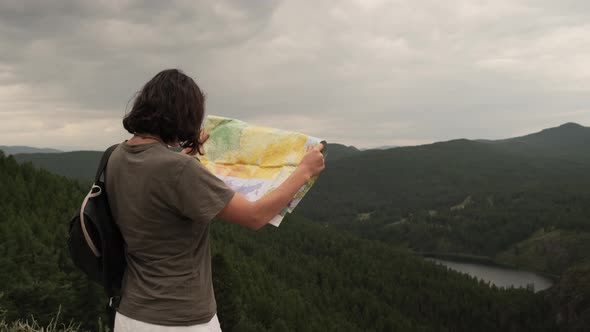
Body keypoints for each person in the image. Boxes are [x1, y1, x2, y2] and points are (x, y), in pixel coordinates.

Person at [106, 69, 325, 332]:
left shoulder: (118, 156)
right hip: (181, 318)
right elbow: (254, 216)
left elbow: (159, 178)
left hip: (130, 314)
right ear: (184, 115)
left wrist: (186, 153)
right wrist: (304, 171)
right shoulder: (179, 170)